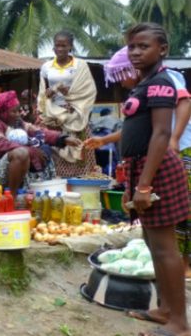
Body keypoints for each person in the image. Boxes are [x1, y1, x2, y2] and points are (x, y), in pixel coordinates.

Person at [89, 23, 189, 336]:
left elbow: (160, 134)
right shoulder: (144, 84)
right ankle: (165, 309)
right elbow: (139, 129)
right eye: (132, 46)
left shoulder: (160, 83)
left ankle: (180, 323)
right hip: (141, 169)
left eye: (143, 46)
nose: (135, 51)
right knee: (151, 242)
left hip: (155, 171)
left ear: (162, 50)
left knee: (163, 248)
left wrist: (145, 185)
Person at [0, 91, 81, 191]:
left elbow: (37, 131)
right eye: (14, 111)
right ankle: (11, 197)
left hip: (8, 169)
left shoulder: (15, 122)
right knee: (21, 153)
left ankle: (36, 191)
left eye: (18, 110)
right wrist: (30, 150)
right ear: (2, 112)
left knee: (45, 149)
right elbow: (1, 145)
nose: (18, 114)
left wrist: (62, 138)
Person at [38, 30, 97, 177]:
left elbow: (87, 90)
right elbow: (42, 91)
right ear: (53, 47)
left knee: (80, 149)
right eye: (57, 45)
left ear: (70, 46)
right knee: (57, 151)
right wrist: (48, 94)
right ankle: (60, 185)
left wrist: (70, 95)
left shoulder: (80, 65)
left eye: (64, 46)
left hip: (75, 115)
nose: (60, 49)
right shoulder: (46, 67)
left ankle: (83, 185)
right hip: (54, 117)